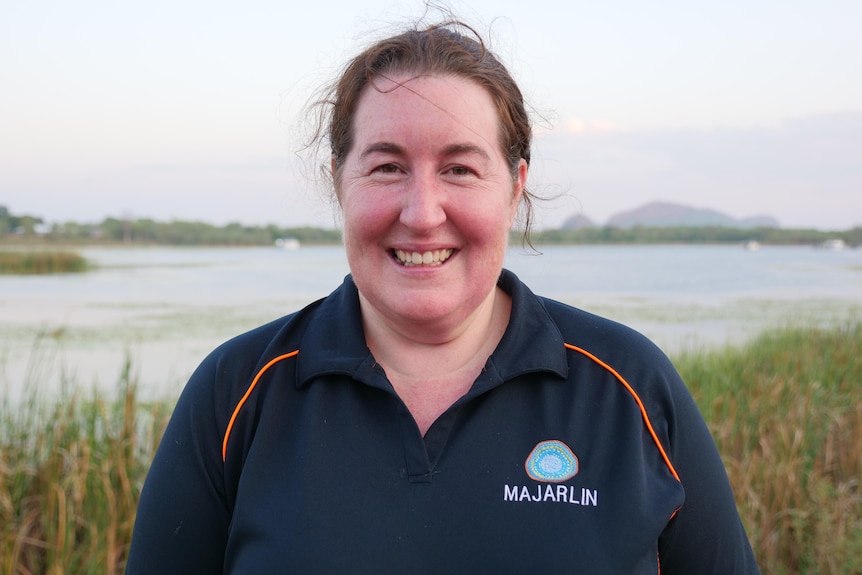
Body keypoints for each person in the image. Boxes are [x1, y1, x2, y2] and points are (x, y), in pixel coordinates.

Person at [125, 18, 760, 574]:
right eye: (387, 166)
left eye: (459, 167)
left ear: (514, 188)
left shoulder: (630, 388)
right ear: (338, 182)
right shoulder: (237, 392)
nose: (423, 213)